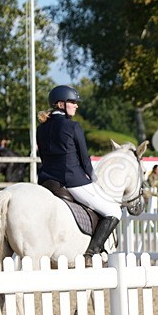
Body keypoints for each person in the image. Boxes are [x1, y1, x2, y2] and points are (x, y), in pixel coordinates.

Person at [36, 85, 120, 256]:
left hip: (45, 181)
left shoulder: (41, 128)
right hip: (72, 181)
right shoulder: (73, 127)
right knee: (114, 211)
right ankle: (92, 252)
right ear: (61, 104)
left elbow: (44, 157)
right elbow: (84, 160)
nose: (76, 105)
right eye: (72, 102)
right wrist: (96, 179)